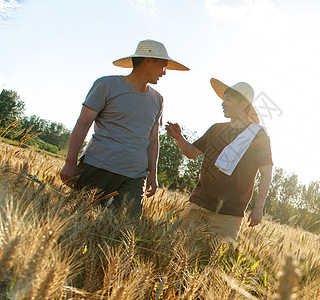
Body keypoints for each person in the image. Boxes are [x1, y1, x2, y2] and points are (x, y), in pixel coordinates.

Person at [60, 39, 189, 219]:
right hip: (98, 168)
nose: (165, 72)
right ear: (148, 60)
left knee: (125, 231)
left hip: (135, 176)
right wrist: (70, 161)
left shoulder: (158, 99)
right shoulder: (106, 85)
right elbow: (83, 123)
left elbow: (153, 139)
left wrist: (153, 173)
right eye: (163, 65)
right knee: (79, 221)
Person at [166, 78, 273, 242]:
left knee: (216, 259)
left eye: (228, 99)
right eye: (223, 99)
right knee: (177, 247)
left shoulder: (258, 136)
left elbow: (266, 173)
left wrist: (259, 207)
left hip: (229, 214)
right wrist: (179, 138)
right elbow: (192, 152)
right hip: (198, 205)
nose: (223, 103)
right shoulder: (216, 129)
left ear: (243, 105)